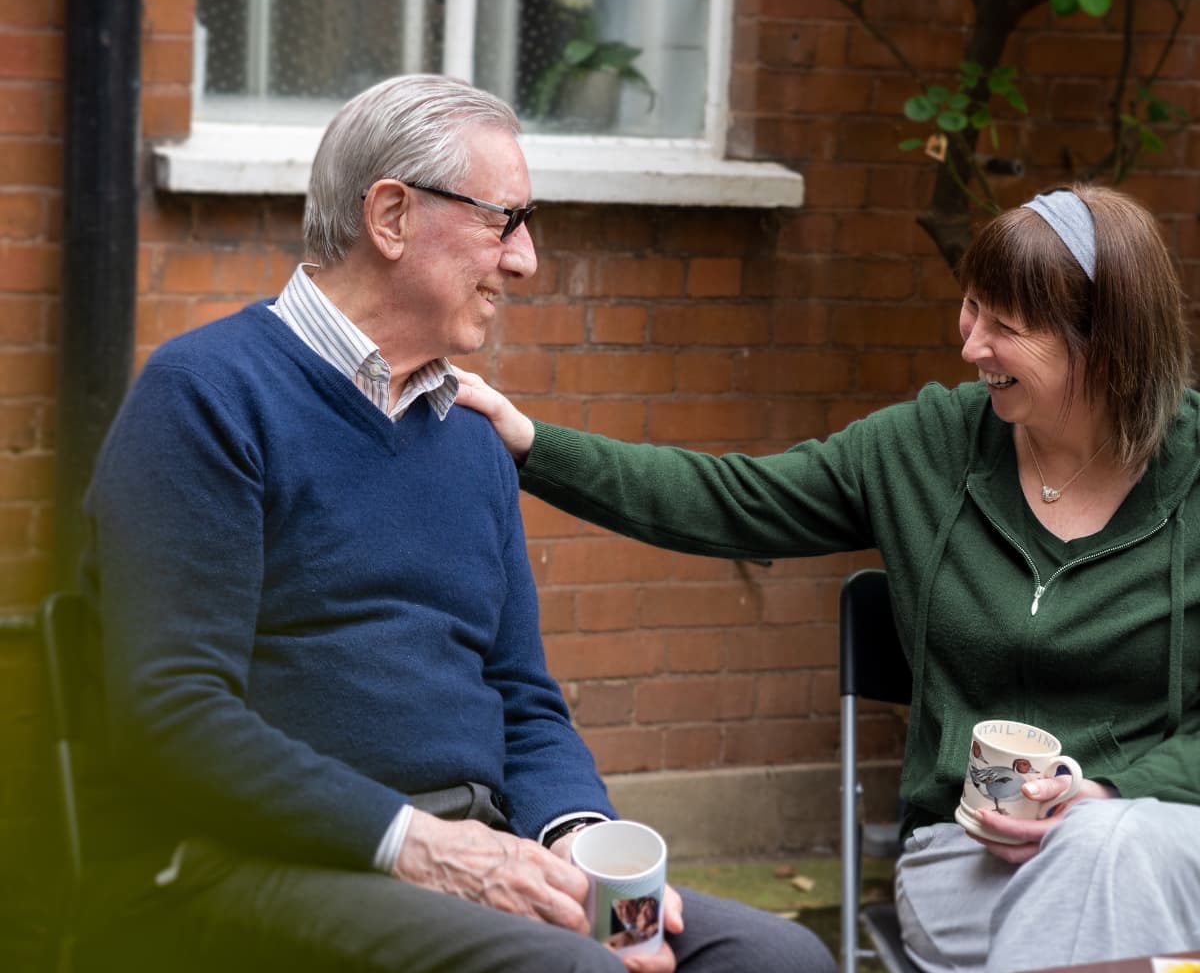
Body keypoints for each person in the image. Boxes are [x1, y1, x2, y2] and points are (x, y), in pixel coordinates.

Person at [78, 75, 835, 973]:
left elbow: (522, 698)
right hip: (254, 865)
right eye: (503, 220)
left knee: (772, 957)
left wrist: (574, 840)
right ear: (391, 216)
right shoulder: (206, 398)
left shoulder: (469, 436)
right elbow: (173, 715)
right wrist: (424, 848)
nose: (526, 260)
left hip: (469, 852)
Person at [455, 183, 1200, 973]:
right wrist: (531, 442)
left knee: (1109, 850)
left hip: (1164, 830)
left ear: (1103, 345)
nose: (971, 345)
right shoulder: (927, 448)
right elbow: (733, 500)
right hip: (968, 862)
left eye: (1005, 327)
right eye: (970, 309)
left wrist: (1108, 794)